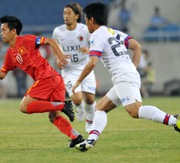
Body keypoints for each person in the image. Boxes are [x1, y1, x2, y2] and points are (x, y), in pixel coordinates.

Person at [72, 2, 180, 152]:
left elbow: (92, 63)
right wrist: (131, 69)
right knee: (100, 108)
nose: (85, 22)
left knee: (135, 111)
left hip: (123, 76)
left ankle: (175, 121)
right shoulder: (114, 32)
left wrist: (78, 81)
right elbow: (137, 46)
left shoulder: (96, 35)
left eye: (85, 19)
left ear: (91, 19)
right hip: (127, 75)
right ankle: (91, 140)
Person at [0, 15, 85, 147]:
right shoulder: (10, 54)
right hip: (55, 80)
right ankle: (76, 137)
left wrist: (60, 56)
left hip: (46, 78)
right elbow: (2, 74)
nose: (1, 34)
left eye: (4, 30)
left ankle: (62, 106)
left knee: (24, 106)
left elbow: (51, 41)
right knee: (53, 117)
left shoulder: (27, 39)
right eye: (1, 30)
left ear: (13, 31)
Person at [52, 3, 96, 133]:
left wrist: (88, 50)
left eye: (69, 13)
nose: (66, 16)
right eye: (64, 13)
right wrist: (58, 58)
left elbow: (95, 45)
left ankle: (90, 122)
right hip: (69, 70)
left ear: (76, 16)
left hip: (85, 68)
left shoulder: (84, 30)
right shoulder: (58, 31)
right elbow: (55, 46)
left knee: (90, 98)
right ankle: (80, 107)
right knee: (77, 99)